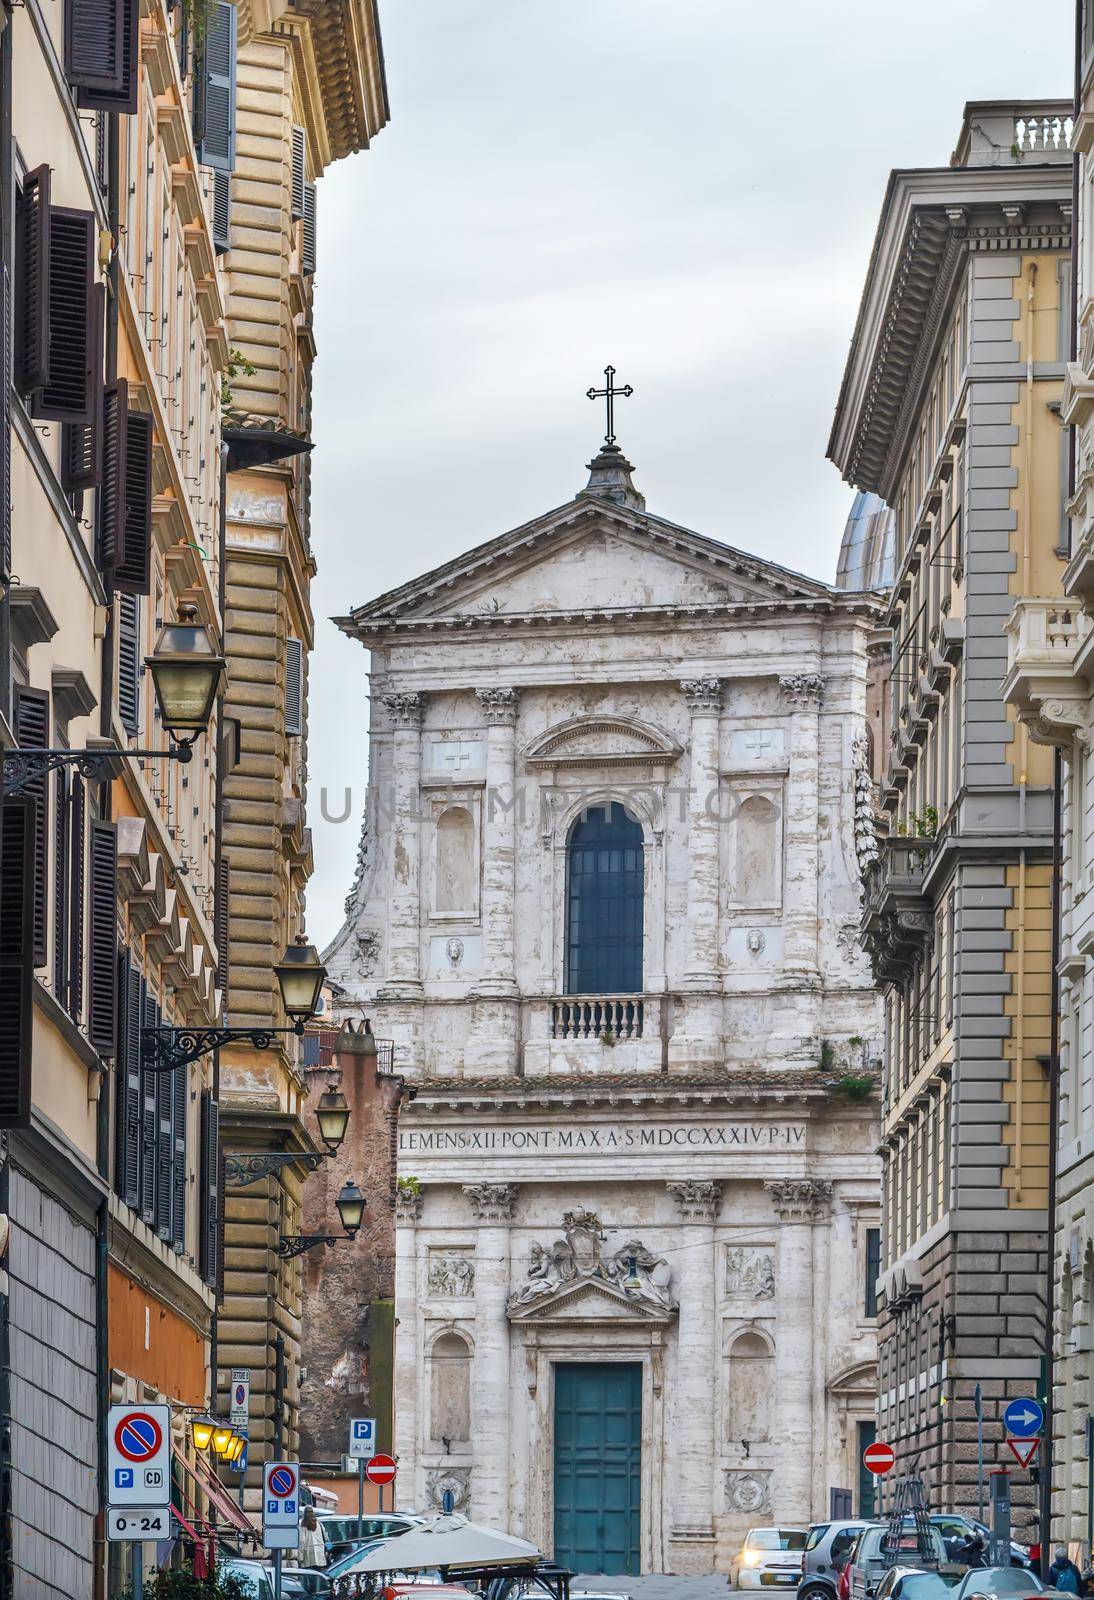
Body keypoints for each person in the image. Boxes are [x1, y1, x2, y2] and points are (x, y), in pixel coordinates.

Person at [297, 1505, 327, 1569]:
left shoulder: (302, 1524)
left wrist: (300, 1557)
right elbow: (326, 1537)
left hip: (308, 1557)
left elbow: (302, 1541)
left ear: (304, 1513)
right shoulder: (319, 1524)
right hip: (320, 1556)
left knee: (307, 1576)